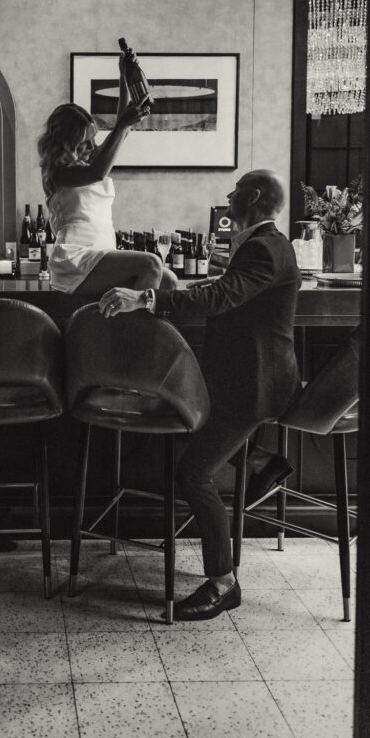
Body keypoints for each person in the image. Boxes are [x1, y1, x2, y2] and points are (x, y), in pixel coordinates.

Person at [98, 169, 301, 620]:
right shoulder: (262, 244)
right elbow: (225, 295)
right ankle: (263, 462)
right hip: (239, 381)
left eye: (235, 190)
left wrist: (147, 299)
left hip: (254, 387)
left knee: (193, 474)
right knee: (192, 427)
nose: (227, 196)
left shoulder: (264, 249)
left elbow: (222, 296)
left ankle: (224, 583)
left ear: (250, 197)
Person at [37, 55, 170, 297]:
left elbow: (123, 127)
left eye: (93, 140)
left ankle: (156, 331)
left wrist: (123, 77)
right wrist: (122, 126)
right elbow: (98, 172)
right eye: (84, 142)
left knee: (168, 278)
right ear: (68, 143)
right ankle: (134, 332)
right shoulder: (61, 173)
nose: (91, 147)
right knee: (150, 264)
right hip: (77, 255)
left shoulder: (86, 161)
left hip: (104, 250)